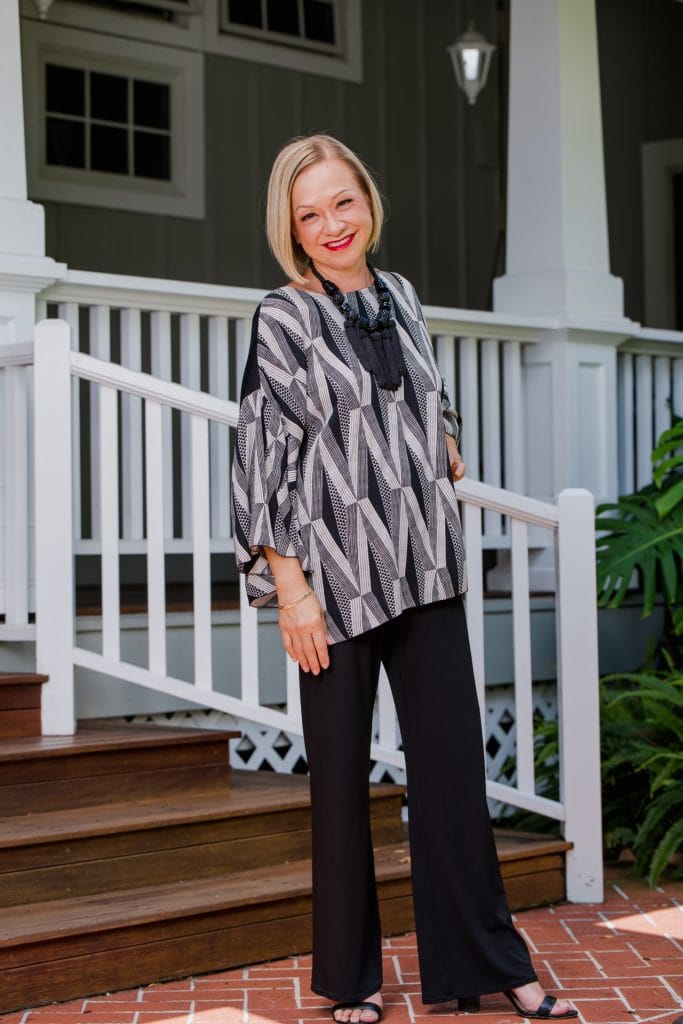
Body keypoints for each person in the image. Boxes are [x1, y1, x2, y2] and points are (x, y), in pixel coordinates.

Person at [231, 134, 577, 1023]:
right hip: (334, 587)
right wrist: (291, 592)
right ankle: (351, 982)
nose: (330, 224)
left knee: (455, 777)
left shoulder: (404, 298)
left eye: (341, 202)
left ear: (367, 202)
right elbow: (261, 461)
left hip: (426, 568)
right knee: (341, 785)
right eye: (309, 214)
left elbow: (427, 390)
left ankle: (487, 964)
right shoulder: (281, 317)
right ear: (291, 229)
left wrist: (445, 431)